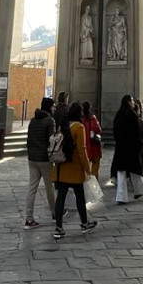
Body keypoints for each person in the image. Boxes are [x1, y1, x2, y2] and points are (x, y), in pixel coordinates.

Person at [51, 102, 97, 240]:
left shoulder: (63, 125)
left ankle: (59, 228)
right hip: (75, 168)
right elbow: (82, 150)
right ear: (80, 113)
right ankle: (84, 223)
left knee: (60, 199)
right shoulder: (79, 127)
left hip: (61, 167)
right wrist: (87, 168)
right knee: (80, 197)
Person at [23, 97, 56, 229]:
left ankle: (29, 218)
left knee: (32, 188)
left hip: (32, 158)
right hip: (44, 159)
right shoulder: (50, 121)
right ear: (49, 107)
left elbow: (28, 139)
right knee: (49, 187)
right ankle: (55, 213)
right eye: (53, 106)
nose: (54, 108)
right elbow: (52, 140)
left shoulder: (32, 120)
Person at [112, 95, 143, 205]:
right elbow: (137, 131)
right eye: (131, 100)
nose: (133, 102)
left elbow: (115, 131)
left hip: (121, 148)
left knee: (122, 174)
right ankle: (139, 190)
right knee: (134, 171)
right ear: (128, 101)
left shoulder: (119, 114)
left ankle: (122, 197)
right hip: (131, 147)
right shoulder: (132, 114)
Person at [82, 101, 103, 180]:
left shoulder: (80, 120)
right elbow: (99, 130)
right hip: (94, 146)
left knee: (84, 167)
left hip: (84, 147)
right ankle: (94, 182)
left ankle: (86, 181)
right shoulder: (93, 118)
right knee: (95, 166)